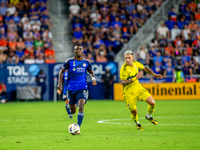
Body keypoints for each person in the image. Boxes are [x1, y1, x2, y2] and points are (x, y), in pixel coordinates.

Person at [57, 44, 97, 134]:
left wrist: (93, 79)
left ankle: (78, 127)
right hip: (71, 89)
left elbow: (91, 72)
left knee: (81, 106)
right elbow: (61, 71)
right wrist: (59, 83)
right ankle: (75, 121)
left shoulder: (86, 63)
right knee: (73, 111)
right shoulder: (69, 61)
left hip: (82, 87)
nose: (78, 50)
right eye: (76, 49)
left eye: (80, 49)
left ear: (82, 51)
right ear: (74, 51)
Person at [120, 50, 163, 130]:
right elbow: (123, 83)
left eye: (129, 58)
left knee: (152, 103)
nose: (127, 60)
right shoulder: (124, 68)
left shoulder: (136, 64)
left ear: (132, 57)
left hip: (138, 88)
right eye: (126, 58)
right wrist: (135, 78)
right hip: (129, 93)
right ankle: (137, 124)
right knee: (134, 112)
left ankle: (148, 116)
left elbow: (145, 68)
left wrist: (154, 74)